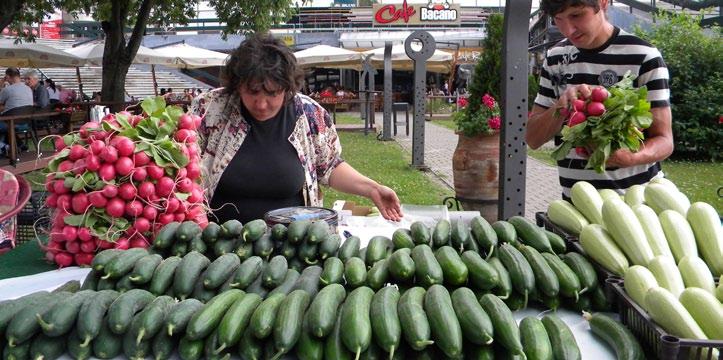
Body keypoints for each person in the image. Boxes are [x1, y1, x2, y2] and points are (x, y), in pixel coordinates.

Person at [191, 34, 403, 223]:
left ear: (287, 86)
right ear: (238, 85)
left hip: (293, 245)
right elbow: (182, 170)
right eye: (252, 92)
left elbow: (329, 166)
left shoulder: (310, 114)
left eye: (272, 93)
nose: (262, 104)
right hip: (217, 243)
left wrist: (373, 189)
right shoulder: (209, 109)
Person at [526, 0, 673, 199]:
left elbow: (665, 141)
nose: (568, 30)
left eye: (576, 15)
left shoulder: (644, 56)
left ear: (602, 3)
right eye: (558, 20)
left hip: (637, 203)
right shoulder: (555, 58)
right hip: (577, 205)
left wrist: (630, 157)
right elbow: (533, 139)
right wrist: (561, 106)